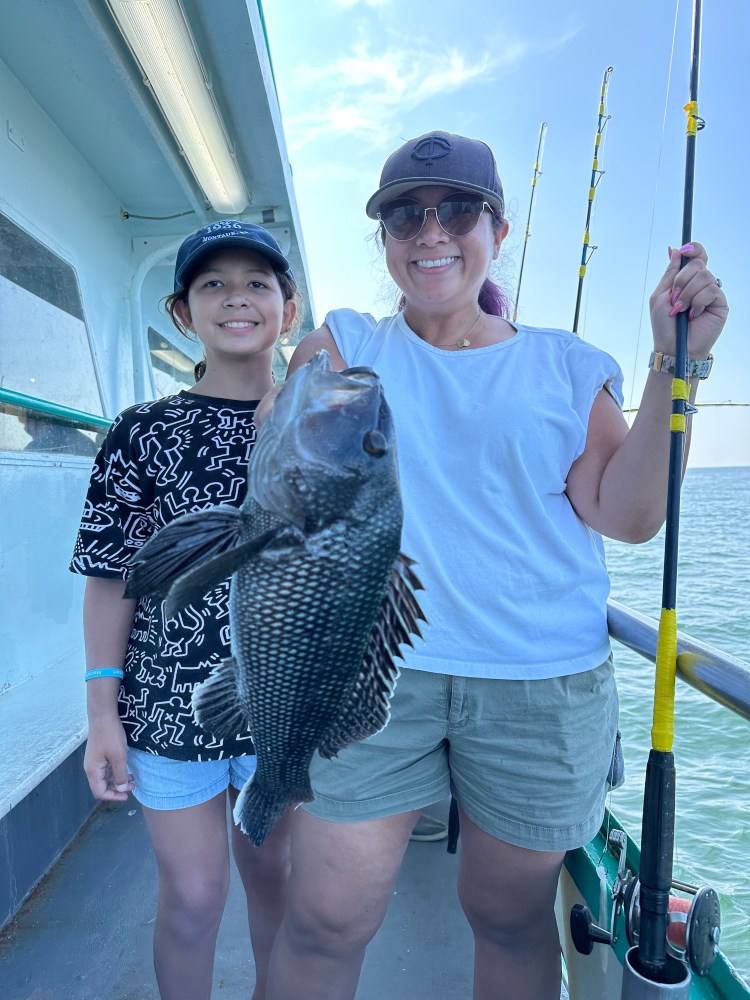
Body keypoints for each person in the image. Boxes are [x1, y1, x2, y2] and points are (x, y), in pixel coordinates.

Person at [262, 131, 729, 1000]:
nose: (430, 231)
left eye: (457, 209)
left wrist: (678, 360)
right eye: (405, 214)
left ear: (499, 231)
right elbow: (285, 464)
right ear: (385, 238)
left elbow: (627, 516)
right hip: (374, 670)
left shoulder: (566, 364)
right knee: (326, 917)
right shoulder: (346, 342)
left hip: (539, 684)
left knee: (510, 918)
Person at [70, 221, 302, 1000]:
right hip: (169, 707)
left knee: (277, 880)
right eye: (213, 284)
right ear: (181, 313)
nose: (237, 297)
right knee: (196, 897)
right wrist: (103, 712)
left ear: (288, 308)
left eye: (257, 283)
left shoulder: (321, 424)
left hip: (285, 702)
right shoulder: (141, 432)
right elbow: (109, 577)